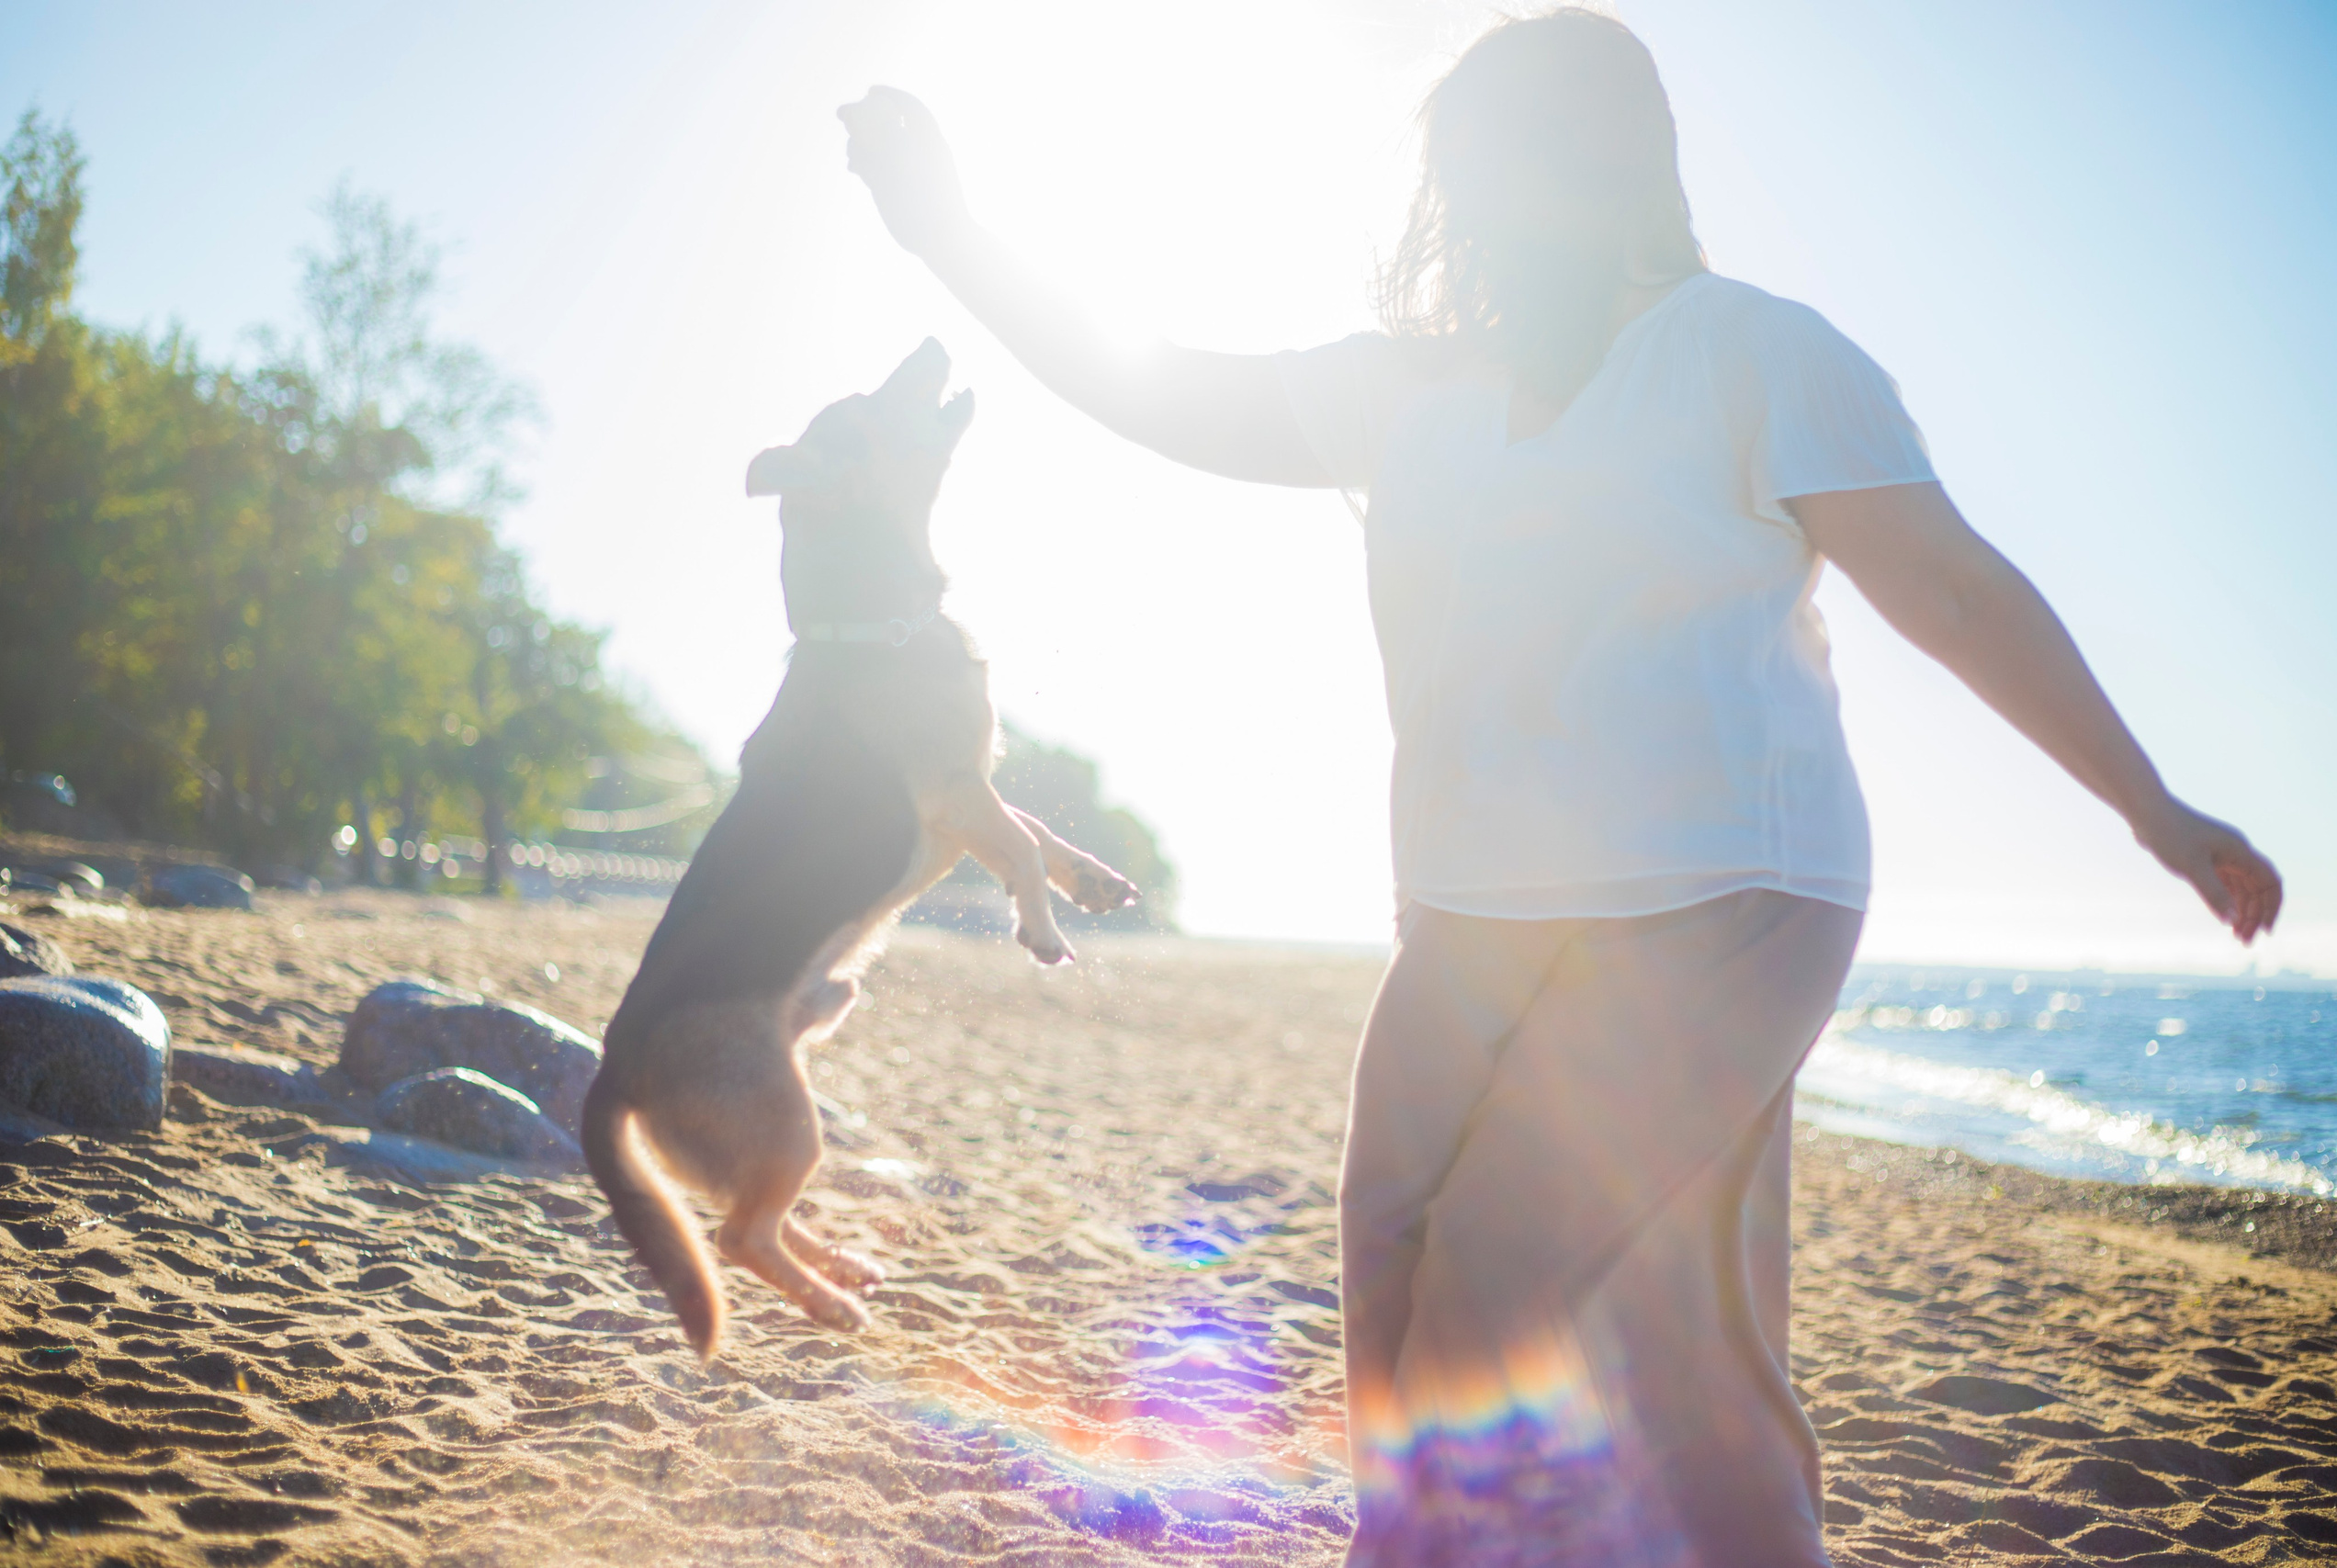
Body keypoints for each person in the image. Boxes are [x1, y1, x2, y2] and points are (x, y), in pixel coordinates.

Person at [836, 12, 2284, 1565]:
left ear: (1617, 163)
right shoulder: (1407, 389)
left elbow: (1953, 589)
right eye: (1471, 159)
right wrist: (952, 237)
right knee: (1417, 1281)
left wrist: (2150, 806)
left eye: (1531, 149)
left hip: (1726, 896)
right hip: (1466, 909)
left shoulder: (1754, 351)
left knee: (1498, 1297)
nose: (1493, 189)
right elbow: (1160, 388)